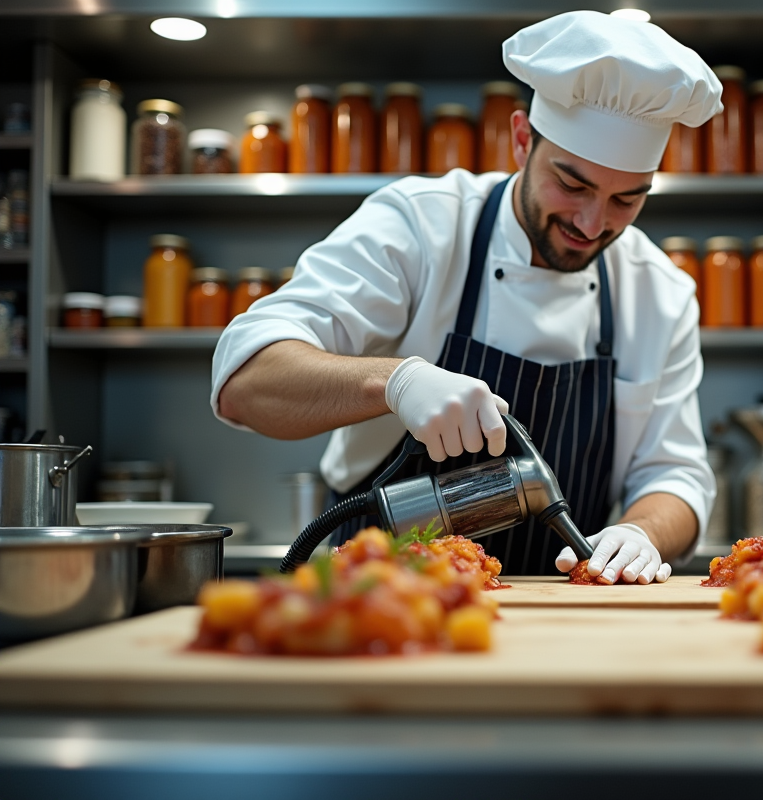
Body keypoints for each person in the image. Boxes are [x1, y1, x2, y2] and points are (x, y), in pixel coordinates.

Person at [212, 11, 721, 584]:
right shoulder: (419, 226)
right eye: (572, 184)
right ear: (523, 138)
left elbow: (676, 476)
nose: (591, 221)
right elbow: (244, 384)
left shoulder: (659, 291)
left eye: (626, 199)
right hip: (382, 595)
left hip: (564, 608)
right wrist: (396, 383)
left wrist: (643, 532)